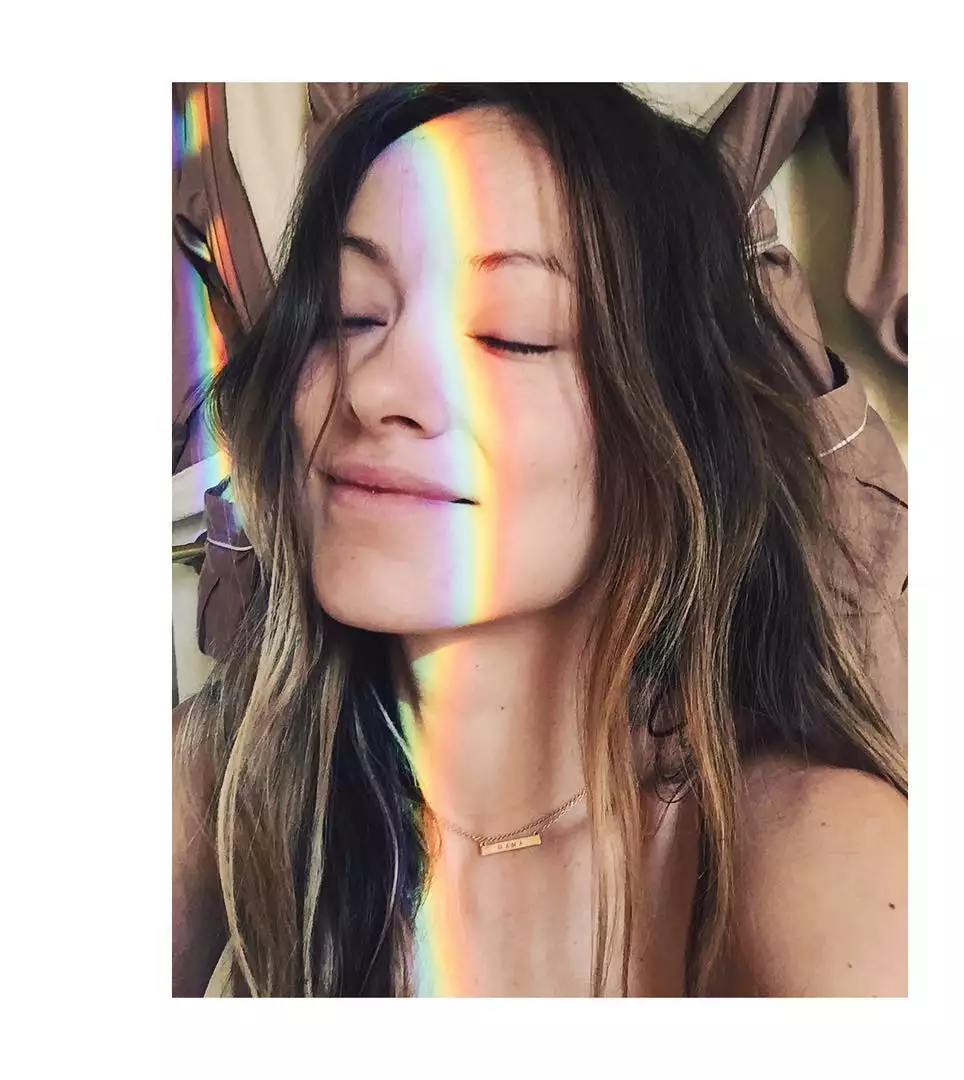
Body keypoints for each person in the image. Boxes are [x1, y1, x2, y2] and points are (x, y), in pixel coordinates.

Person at [172, 82, 907, 998]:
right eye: (348, 315)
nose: (370, 386)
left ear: (673, 433)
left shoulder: (824, 859)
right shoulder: (232, 777)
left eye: (512, 336)